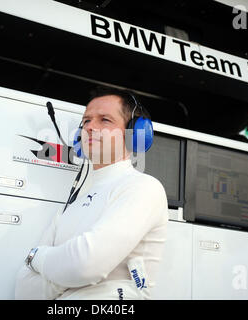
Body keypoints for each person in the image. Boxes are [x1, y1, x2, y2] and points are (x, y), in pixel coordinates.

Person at [15, 87, 168, 300]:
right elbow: (25, 290)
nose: (90, 127)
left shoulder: (144, 188)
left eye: (105, 120)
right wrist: (70, 279)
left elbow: (86, 265)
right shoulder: (73, 202)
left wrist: (36, 257)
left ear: (136, 134)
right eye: (86, 121)